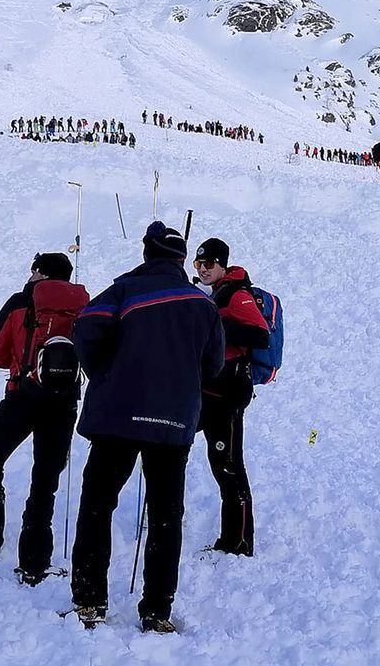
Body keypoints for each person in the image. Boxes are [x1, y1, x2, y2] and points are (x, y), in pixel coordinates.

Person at [67, 222, 224, 633]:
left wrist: (102, 371)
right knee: (166, 515)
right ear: (180, 259)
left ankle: (89, 601)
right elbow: (213, 366)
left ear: (147, 254)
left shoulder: (124, 291)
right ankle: (156, 610)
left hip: (117, 416)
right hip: (173, 421)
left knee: (98, 506)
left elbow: (85, 327)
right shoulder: (204, 305)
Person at [0, 253, 90, 585]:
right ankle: (34, 561)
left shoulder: (21, 302)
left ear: (39, 273)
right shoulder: (82, 306)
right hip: (64, 404)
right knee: (46, 479)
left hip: (22, 395)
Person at [192, 238, 270, 558]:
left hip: (228, 394)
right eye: (198, 264)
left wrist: (218, 324)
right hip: (208, 389)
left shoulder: (237, 295)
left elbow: (260, 334)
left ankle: (238, 542)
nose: (203, 269)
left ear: (223, 264)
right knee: (209, 457)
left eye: (209, 263)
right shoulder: (213, 294)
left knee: (228, 465)